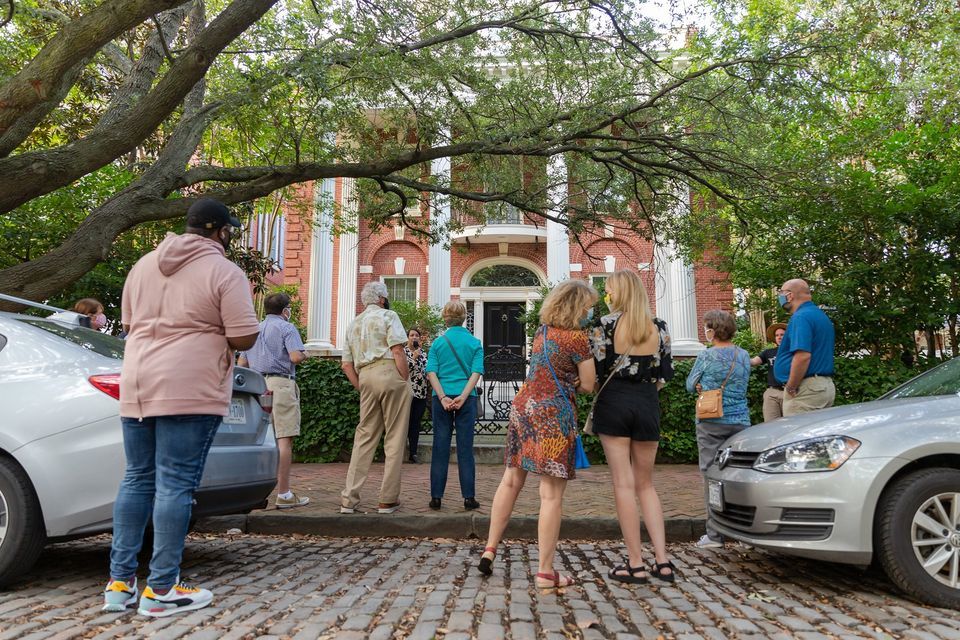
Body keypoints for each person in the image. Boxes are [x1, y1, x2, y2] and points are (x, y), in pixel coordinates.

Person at [103, 198, 260, 617]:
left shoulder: (142, 266)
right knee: (175, 484)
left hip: (138, 382)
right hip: (190, 386)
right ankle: (161, 588)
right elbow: (244, 336)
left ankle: (119, 585)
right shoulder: (224, 271)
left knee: (136, 479)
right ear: (221, 231)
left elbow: (131, 325)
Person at [479, 279, 597, 589]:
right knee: (550, 495)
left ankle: (490, 548)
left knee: (510, 480)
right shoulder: (578, 339)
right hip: (553, 415)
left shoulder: (542, 332)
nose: (590, 312)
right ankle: (545, 572)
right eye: (588, 307)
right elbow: (588, 384)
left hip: (524, 407)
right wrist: (576, 381)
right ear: (577, 306)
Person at [589, 270, 675, 584]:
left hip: (614, 402)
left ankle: (636, 563)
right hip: (647, 403)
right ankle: (663, 561)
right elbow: (666, 374)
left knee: (623, 484)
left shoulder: (604, 326)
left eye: (609, 290)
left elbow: (595, 373)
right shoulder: (659, 327)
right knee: (646, 485)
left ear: (619, 293)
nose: (607, 294)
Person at [339, 281, 410, 514]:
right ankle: (387, 499)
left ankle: (349, 499)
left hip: (365, 376)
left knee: (364, 436)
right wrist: (404, 378)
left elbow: (346, 364)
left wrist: (361, 386)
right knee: (394, 437)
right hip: (390, 372)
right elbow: (397, 350)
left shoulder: (353, 323)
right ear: (381, 298)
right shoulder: (388, 315)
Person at [238, 292, 310, 509]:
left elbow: (242, 363)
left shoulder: (254, 329)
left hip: (258, 385)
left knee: (262, 439)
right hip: (281, 384)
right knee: (284, 439)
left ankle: (254, 492)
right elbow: (295, 356)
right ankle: (284, 493)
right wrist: (305, 354)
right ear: (285, 310)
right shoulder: (287, 328)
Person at [686, 309, 751, 549]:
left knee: (711, 474)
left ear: (712, 331)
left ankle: (714, 535)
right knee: (741, 473)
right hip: (740, 419)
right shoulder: (743, 355)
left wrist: (702, 385)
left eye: (706, 327)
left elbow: (690, 385)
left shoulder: (706, 355)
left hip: (711, 420)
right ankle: (745, 534)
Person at [425, 302, 483, 510]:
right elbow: (476, 373)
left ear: (445, 318)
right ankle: (469, 497)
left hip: (441, 398)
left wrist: (442, 397)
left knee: (440, 446)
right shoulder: (474, 343)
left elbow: (431, 372)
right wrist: (463, 396)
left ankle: (436, 497)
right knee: (465, 448)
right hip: (466, 399)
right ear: (464, 318)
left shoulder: (438, 343)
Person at [774, 279, 836, 417]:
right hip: (822, 386)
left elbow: (803, 356)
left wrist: (791, 386)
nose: (780, 297)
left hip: (806, 389)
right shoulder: (819, 315)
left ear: (790, 295)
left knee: (796, 430)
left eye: (781, 293)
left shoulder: (801, 317)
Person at [750, 322, 787, 422]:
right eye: (777, 335)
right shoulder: (768, 352)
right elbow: (753, 362)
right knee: (771, 425)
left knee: (792, 425)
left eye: (782, 334)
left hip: (790, 392)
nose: (779, 337)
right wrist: (738, 356)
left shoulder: (794, 351)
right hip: (772, 393)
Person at [404, 327, 428, 464]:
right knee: (404, 422)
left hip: (421, 393)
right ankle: (400, 451)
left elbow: (427, 370)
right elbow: (403, 371)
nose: (414, 337)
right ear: (407, 338)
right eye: (412, 335)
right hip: (408, 393)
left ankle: (413, 453)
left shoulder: (423, 353)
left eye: (417, 335)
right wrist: (413, 357)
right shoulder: (403, 352)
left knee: (415, 423)